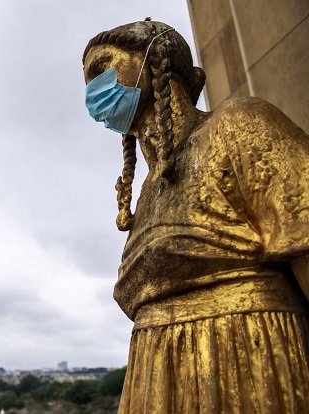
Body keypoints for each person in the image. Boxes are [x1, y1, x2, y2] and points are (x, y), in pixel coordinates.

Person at [82, 20, 309, 412]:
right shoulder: (149, 188)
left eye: (101, 68)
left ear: (156, 61)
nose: (91, 93)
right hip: (156, 378)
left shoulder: (238, 123)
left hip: (244, 358)